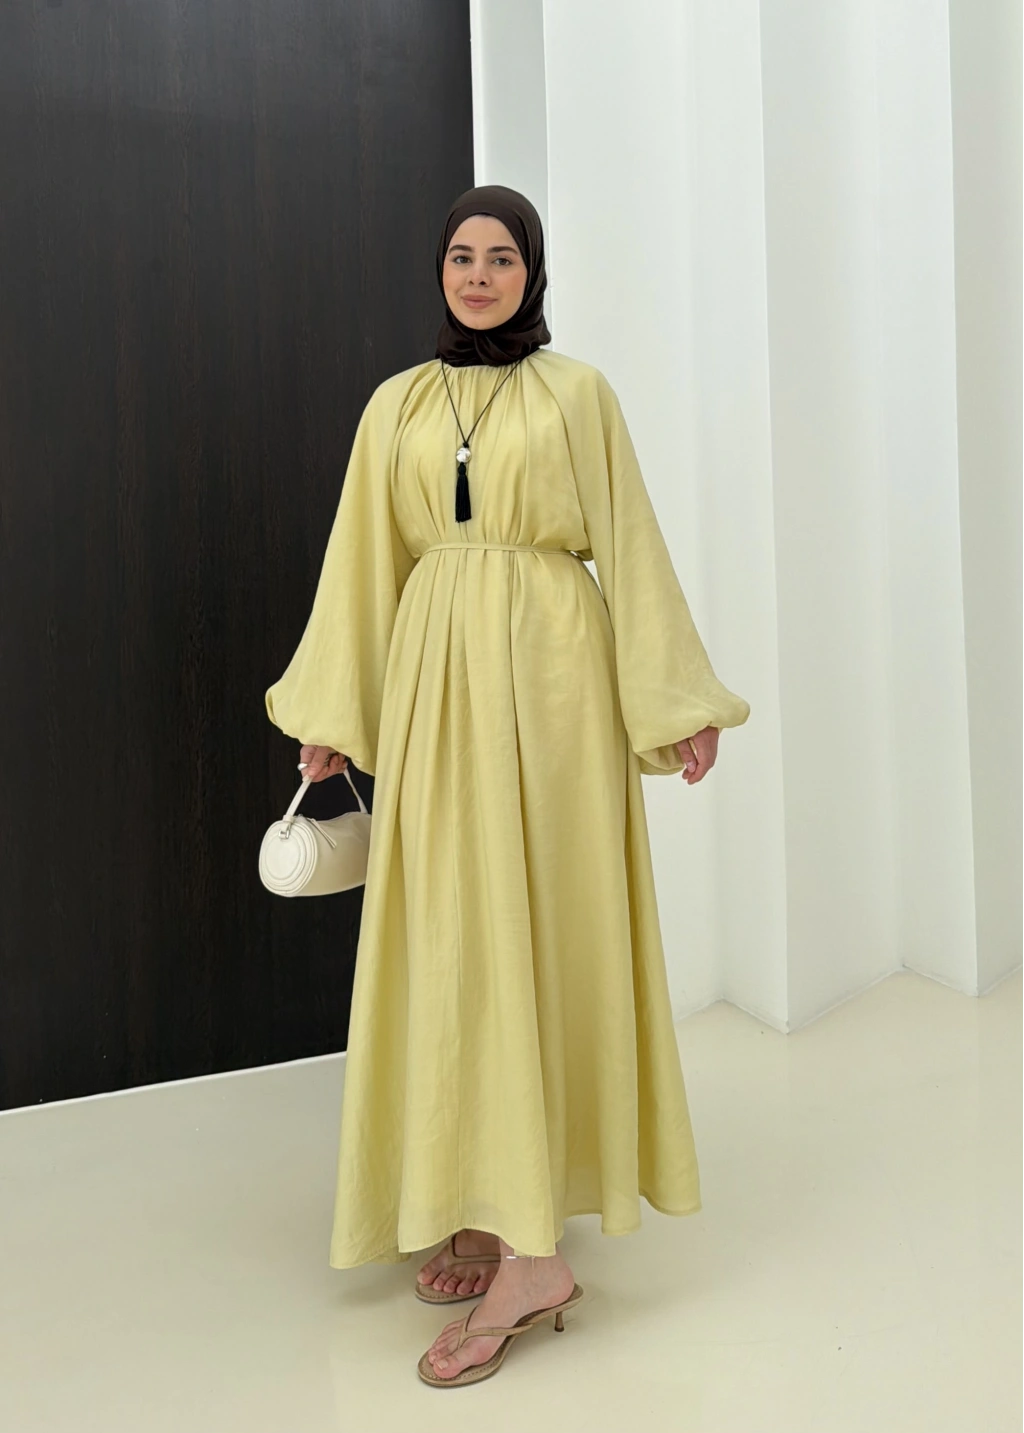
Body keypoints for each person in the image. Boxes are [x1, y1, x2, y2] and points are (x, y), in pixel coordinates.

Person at [264, 184, 751, 1387]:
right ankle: (490, 1198)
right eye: (460, 256)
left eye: (501, 257)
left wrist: (675, 702)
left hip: (552, 683)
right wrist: (332, 718)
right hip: (435, 682)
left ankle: (534, 1257)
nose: (478, 274)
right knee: (454, 937)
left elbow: (628, 544)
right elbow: (361, 563)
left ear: (532, 273)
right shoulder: (397, 405)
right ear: (439, 271)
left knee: (539, 925)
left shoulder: (577, 393)